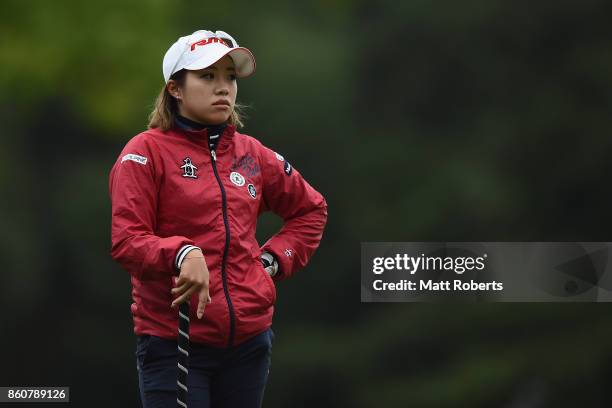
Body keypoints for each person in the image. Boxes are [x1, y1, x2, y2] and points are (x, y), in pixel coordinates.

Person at [108, 29, 328, 408]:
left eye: (230, 77)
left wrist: (271, 262)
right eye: (207, 76)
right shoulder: (144, 153)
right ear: (175, 89)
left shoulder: (251, 154)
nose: (223, 87)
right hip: (175, 343)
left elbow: (311, 210)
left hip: (249, 345)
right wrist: (181, 253)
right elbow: (127, 241)